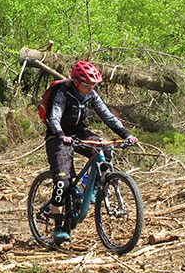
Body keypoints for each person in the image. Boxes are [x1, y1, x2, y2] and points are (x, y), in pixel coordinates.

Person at [45, 60, 138, 243]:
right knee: (63, 182)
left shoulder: (91, 95)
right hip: (58, 136)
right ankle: (59, 227)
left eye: (94, 85)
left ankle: (92, 188)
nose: (91, 88)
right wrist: (61, 135)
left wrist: (127, 134)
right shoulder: (63, 93)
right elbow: (54, 116)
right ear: (77, 82)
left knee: (106, 149)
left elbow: (108, 116)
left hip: (79, 133)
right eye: (87, 84)